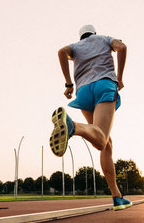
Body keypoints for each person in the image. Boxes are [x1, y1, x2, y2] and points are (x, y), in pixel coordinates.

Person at [49, 24, 132, 211]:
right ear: (94, 33)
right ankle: (73, 127)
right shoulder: (104, 39)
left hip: (84, 91)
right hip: (104, 85)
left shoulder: (76, 47)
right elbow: (123, 47)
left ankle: (116, 196)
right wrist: (119, 77)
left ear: (81, 37)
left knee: (105, 142)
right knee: (101, 140)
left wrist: (68, 84)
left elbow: (62, 51)